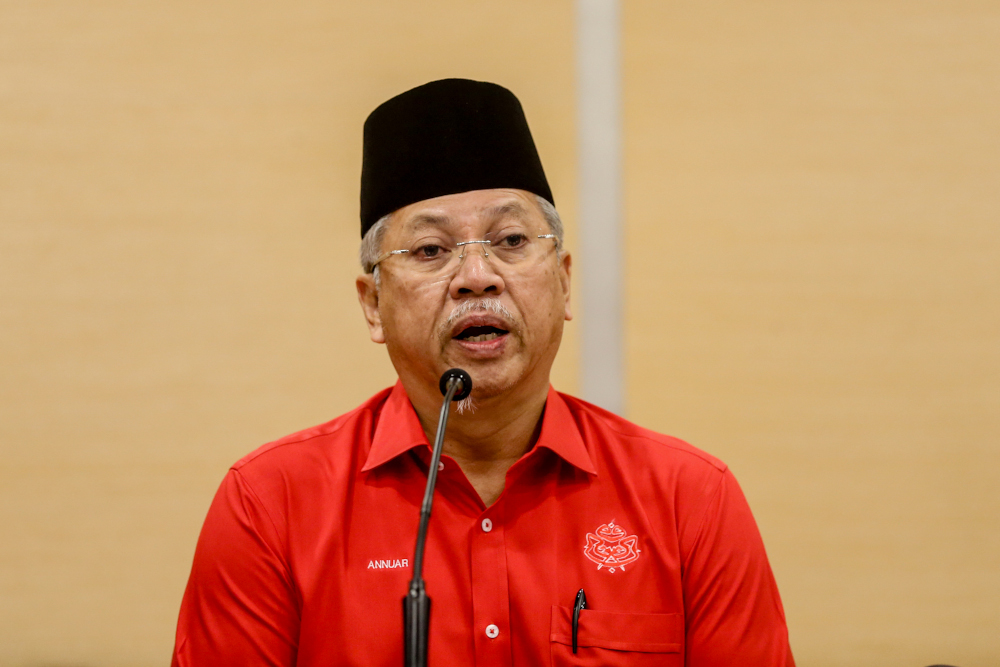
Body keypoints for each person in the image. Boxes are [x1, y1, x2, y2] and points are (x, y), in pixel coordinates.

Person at [172, 78, 795, 666]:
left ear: (565, 281)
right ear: (373, 305)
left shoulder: (690, 500)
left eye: (512, 241)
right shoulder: (272, 505)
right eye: (431, 251)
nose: (477, 277)